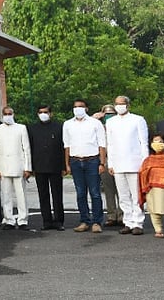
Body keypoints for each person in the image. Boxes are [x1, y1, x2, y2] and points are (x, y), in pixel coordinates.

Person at [105, 95, 148, 235]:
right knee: (123, 196)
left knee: (136, 195)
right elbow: (110, 144)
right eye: (116, 103)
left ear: (128, 105)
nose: (119, 106)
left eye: (122, 103)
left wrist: (144, 162)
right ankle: (128, 222)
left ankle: (138, 223)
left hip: (135, 163)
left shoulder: (138, 120)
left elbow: (143, 143)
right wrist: (111, 163)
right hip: (118, 164)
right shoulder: (111, 122)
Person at [64, 99, 107, 232]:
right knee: (80, 193)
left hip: (92, 161)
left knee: (95, 193)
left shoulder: (95, 123)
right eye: (75, 106)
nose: (78, 109)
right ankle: (84, 221)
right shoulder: (68, 124)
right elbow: (67, 145)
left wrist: (102, 163)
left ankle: (97, 222)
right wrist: (67, 164)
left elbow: (102, 144)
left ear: (86, 108)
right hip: (75, 161)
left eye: (81, 106)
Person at [0, 106, 32, 229]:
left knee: (21, 195)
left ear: (13, 115)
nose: (7, 116)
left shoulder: (21, 128)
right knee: (6, 195)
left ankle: (23, 220)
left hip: (19, 166)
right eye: (5, 114)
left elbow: (26, 149)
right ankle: (9, 220)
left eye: (10, 114)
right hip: (3, 167)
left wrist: (27, 167)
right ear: (2, 115)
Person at [28, 104, 67, 230]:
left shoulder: (59, 127)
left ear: (51, 113)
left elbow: (63, 147)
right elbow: (30, 148)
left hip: (55, 165)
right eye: (40, 112)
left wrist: (64, 166)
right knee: (43, 195)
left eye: (45, 112)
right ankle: (46, 221)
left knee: (57, 194)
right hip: (39, 166)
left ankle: (59, 221)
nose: (43, 114)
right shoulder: (32, 128)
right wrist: (31, 167)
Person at [139, 133, 164, 238]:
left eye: (160, 141)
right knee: (154, 212)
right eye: (155, 141)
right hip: (152, 190)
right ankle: (158, 230)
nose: (157, 144)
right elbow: (142, 175)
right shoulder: (148, 160)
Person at [96, 104, 124, 227]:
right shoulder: (98, 127)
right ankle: (111, 215)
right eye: (106, 114)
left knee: (121, 190)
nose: (109, 116)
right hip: (105, 159)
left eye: (111, 113)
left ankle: (122, 215)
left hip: (119, 159)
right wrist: (96, 118)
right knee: (108, 189)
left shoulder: (120, 125)